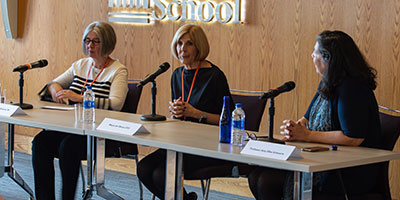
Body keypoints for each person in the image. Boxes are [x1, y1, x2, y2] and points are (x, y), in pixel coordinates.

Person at [247, 30, 382, 199]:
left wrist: (307, 135)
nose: (312, 56)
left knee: (266, 181)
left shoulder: (351, 88)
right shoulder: (328, 82)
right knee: (258, 176)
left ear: (328, 58)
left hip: (349, 171)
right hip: (323, 160)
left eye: (315, 51)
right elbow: (306, 119)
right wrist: (294, 128)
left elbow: (353, 137)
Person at [137, 24, 235, 200]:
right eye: (179, 44)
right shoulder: (177, 74)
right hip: (181, 141)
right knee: (143, 168)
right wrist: (176, 112)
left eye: (189, 44)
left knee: (161, 174)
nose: (182, 49)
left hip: (208, 145)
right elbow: (180, 118)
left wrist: (197, 114)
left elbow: (230, 121)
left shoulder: (214, 76)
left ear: (199, 46)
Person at [32, 21, 128, 200]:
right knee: (40, 142)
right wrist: (55, 90)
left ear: (107, 43)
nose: (90, 45)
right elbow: (53, 84)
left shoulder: (117, 70)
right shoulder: (81, 65)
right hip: (72, 127)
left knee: (68, 147)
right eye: (87, 40)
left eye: (95, 41)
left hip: (98, 133)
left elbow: (116, 104)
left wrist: (80, 98)